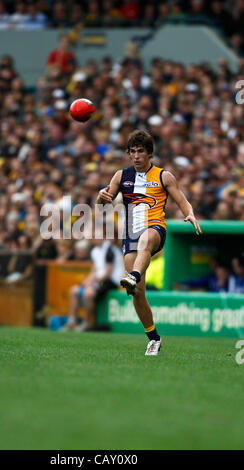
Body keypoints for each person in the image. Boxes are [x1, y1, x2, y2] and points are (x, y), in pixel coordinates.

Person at [96, 129, 202, 356]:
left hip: (155, 229)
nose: (136, 156)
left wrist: (190, 214)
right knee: (137, 293)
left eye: (140, 151)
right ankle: (154, 338)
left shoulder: (164, 176)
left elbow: (182, 200)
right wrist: (100, 198)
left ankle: (133, 275)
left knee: (144, 243)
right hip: (130, 234)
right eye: (132, 151)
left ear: (149, 153)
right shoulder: (120, 176)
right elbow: (103, 203)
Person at [62, 238, 124, 332]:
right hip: (98, 281)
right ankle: (72, 322)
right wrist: (86, 282)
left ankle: (86, 323)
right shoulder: (95, 250)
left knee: (88, 293)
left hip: (110, 282)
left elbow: (107, 273)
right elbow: (94, 271)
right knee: (73, 290)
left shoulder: (109, 250)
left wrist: (92, 283)